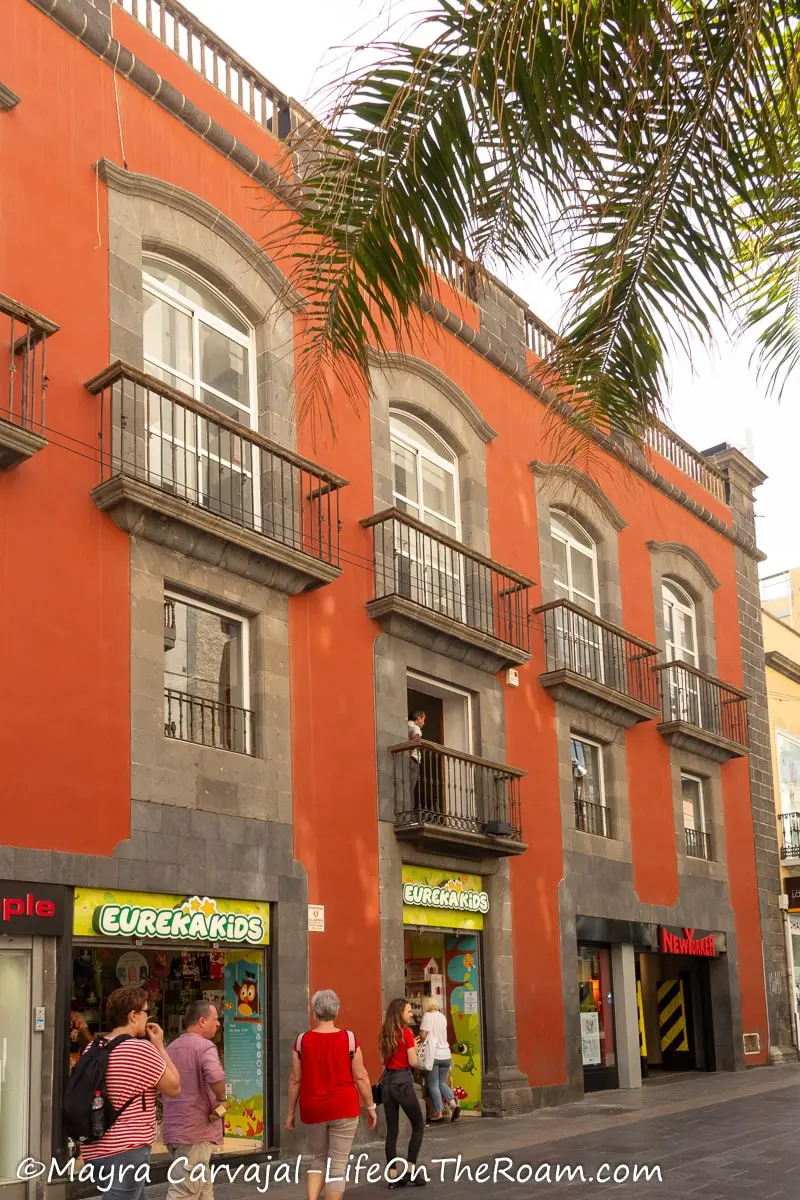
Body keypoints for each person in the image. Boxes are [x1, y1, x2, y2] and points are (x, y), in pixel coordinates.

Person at [80, 987, 181, 1200]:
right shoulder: (139, 1050)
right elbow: (174, 1087)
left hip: (94, 1148)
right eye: (146, 1012)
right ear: (133, 1016)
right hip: (127, 1150)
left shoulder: (93, 1047)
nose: (148, 1017)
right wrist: (159, 1046)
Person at [285, 990, 376, 1200]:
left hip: (313, 1107)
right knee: (337, 1165)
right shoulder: (350, 1039)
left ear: (314, 1012)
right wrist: (370, 1107)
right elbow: (361, 1076)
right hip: (344, 1107)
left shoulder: (301, 1041)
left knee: (319, 1158)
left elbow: (295, 1080)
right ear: (336, 1011)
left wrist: (290, 1112)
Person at [162, 1001, 227, 1200]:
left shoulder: (170, 1048)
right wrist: (223, 1098)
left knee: (203, 1188)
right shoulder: (205, 1046)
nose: (218, 1024)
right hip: (195, 1132)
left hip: (174, 1130)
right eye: (215, 1020)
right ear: (201, 1021)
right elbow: (215, 1076)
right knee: (184, 1191)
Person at [379, 998, 425, 1188]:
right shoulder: (406, 1033)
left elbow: (384, 1060)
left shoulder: (385, 1034)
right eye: (408, 1011)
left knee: (392, 1131)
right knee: (418, 1125)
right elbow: (413, 1062)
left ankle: (392, 1176)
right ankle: (410, 1170)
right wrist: (414, 1047)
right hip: (403, 1082)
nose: (411, 1014)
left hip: (387, 1084)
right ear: (399, 1013)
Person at [418, 998, 459, 1123]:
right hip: (445, 1054)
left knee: (433, 1085)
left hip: (433, 1055)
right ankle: (453, 1104)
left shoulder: (427, 1016)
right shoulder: (442, 1016)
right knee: (441, 1083)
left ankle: (438, 1112)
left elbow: (423, 1034)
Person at [407, 711, 426, 806]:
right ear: (419, 718)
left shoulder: (406, 725)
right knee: (411, 788)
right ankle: (410, 814)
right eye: (423, 719)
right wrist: (410, 752)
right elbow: (416, 741)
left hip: (407, 760)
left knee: (407, 787)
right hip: (413, 760)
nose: (424, 722)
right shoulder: (415, 728)